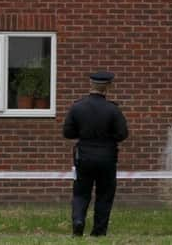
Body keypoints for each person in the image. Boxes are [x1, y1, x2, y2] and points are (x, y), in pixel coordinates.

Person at [63, 70, 128, 237]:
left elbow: (67, 133)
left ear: (91, 85)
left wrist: (84, 134)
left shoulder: (77, 107)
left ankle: (78, 221)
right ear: (108, 87)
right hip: (107, 157)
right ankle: (98, 232)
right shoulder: (113, 110)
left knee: (80, 192)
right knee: (105, 194)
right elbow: (122, 134)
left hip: (83, 157)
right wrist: (108, 137)